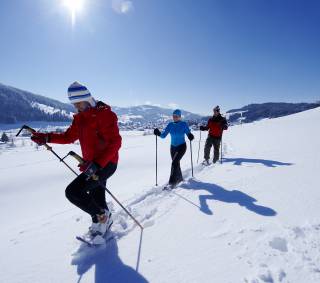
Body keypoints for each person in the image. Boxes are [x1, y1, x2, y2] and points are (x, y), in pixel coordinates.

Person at [31, 82, 122, 244]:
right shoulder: (79, 119)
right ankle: (102, 222)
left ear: (89, 99)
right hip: (90, 165)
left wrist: (98, 164)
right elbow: (68, 137)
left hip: (106, 164)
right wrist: (46, 137)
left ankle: (101, 217)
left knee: (73, 192)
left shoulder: (105, 115)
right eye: (75, 105)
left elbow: (115, 143)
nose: (78, 108)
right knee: (96, 194)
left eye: (80, 103)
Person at [154, 109, 194, 189]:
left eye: (176, 116)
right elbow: (163, 135)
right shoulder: (170, 125)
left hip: (182, 146)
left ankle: (171, 183)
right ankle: (179, 179)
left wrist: (190, 136)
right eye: (173, 116)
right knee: (176, 163)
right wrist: (158, 133)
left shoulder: (183, 124)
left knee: (174, 163)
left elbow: (188, 133)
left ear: (179, 117)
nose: (174, 118)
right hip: (173, 147)